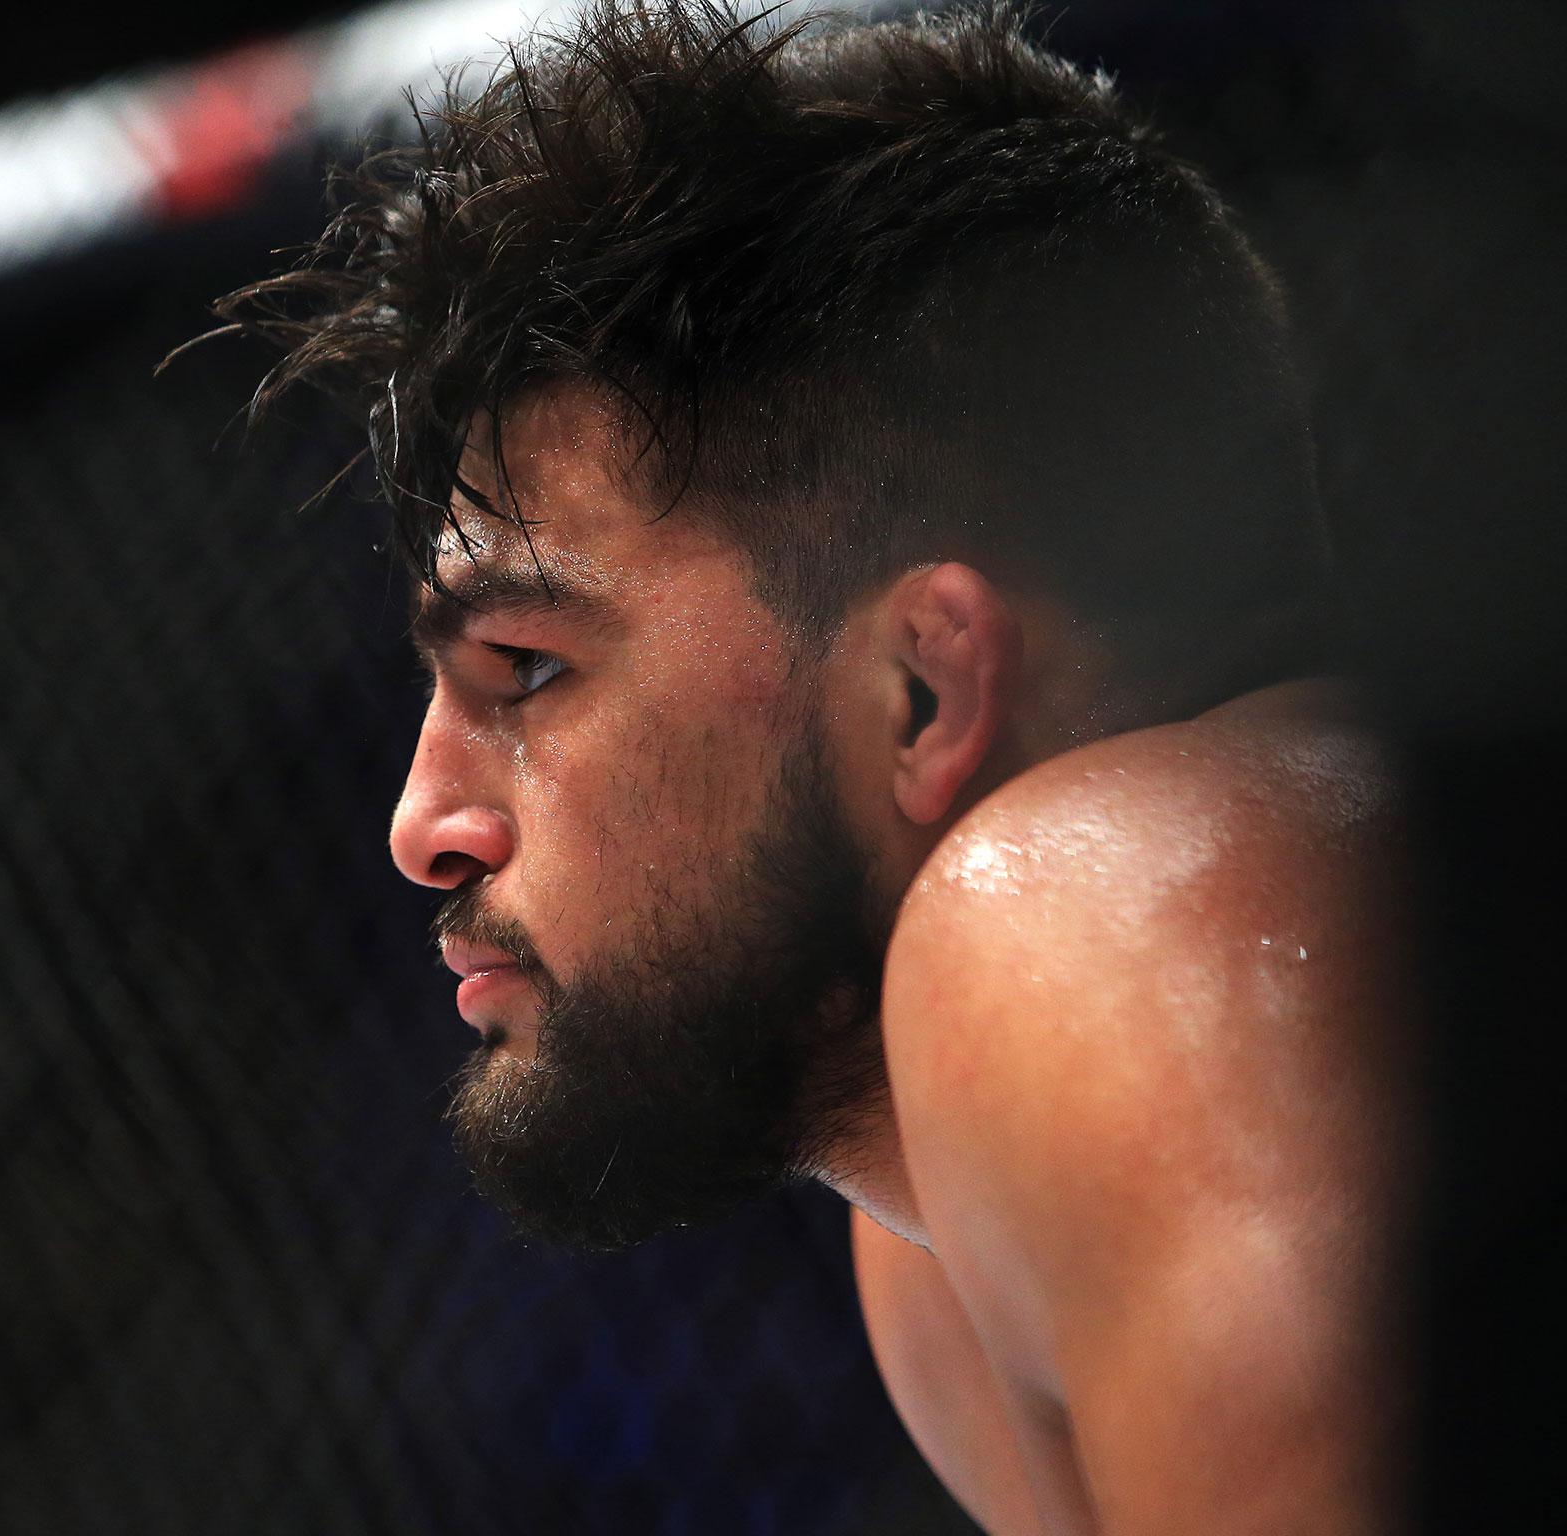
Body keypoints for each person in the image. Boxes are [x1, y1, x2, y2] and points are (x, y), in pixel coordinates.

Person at [210, 2, 1416, 1530]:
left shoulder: (1081, 935)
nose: (423, 825)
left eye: (527, 667)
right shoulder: (934, 1235)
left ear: (921, 690)